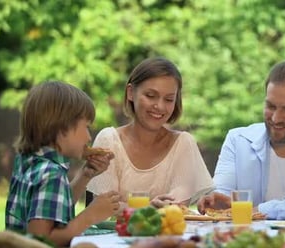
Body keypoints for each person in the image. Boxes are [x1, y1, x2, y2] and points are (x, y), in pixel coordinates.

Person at [198, 60, 285, 220]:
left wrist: (262, 210)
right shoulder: (237, 141)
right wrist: (218, 202)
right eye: (271, 106)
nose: (276, 118)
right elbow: (222, 193)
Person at [87, 57, 214, 208]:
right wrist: (149, 209)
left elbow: (176, 204)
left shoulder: (183, 143)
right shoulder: (109, 140)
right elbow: (103, 207)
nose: (159, 106)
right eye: (150, 96)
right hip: (116, 232)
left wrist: (135, 209)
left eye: (168, 99)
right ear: (130, 93)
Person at [5, 81, 120, 247]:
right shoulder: (51, 173)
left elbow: (54, 208)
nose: (89, 137)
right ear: (62, 128)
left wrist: (85, 175)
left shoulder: (29, 162)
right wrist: (90, 215)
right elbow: (40, 241)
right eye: (86, 127)